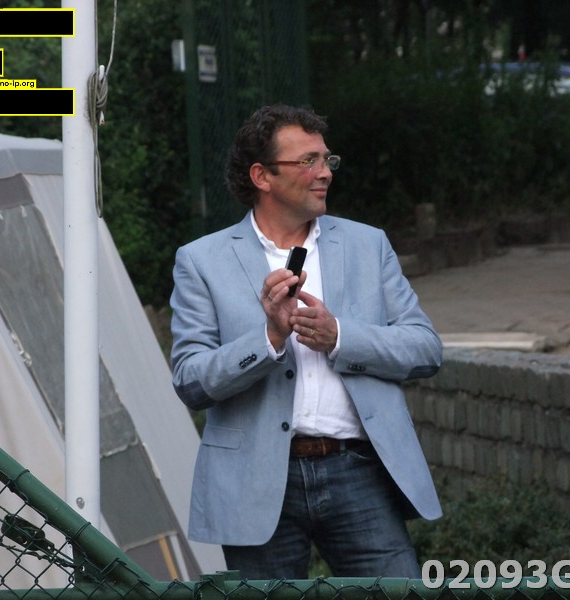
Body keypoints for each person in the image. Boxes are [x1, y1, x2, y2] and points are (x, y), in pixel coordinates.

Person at [169, 103, 443, 579]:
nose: (325, 173)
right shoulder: (202, 260)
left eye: (327, 159)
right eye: (308, 161)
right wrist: (270, 338)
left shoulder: (368, 245)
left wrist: (340, 337)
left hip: (359, 469)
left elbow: (425, 349)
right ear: (262, 176)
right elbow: (191, 381)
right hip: (256, 479)